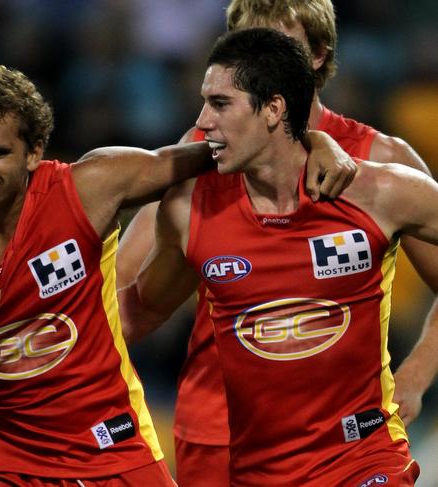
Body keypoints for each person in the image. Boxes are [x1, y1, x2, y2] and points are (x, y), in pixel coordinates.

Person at [0, 64, 351, 486]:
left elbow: (215, 151)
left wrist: (315, 139)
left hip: (118, 450)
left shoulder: (88, 188)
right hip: (16, 469)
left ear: (33, 152)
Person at [116, 1, 438, 485]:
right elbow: (132, 294)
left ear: (314, 55)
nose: (255, 57)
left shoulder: (381, 169)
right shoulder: (202, 162)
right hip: (219, 429)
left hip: (350, 438)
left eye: (273, 45)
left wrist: (414, 378)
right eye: (243, 44)